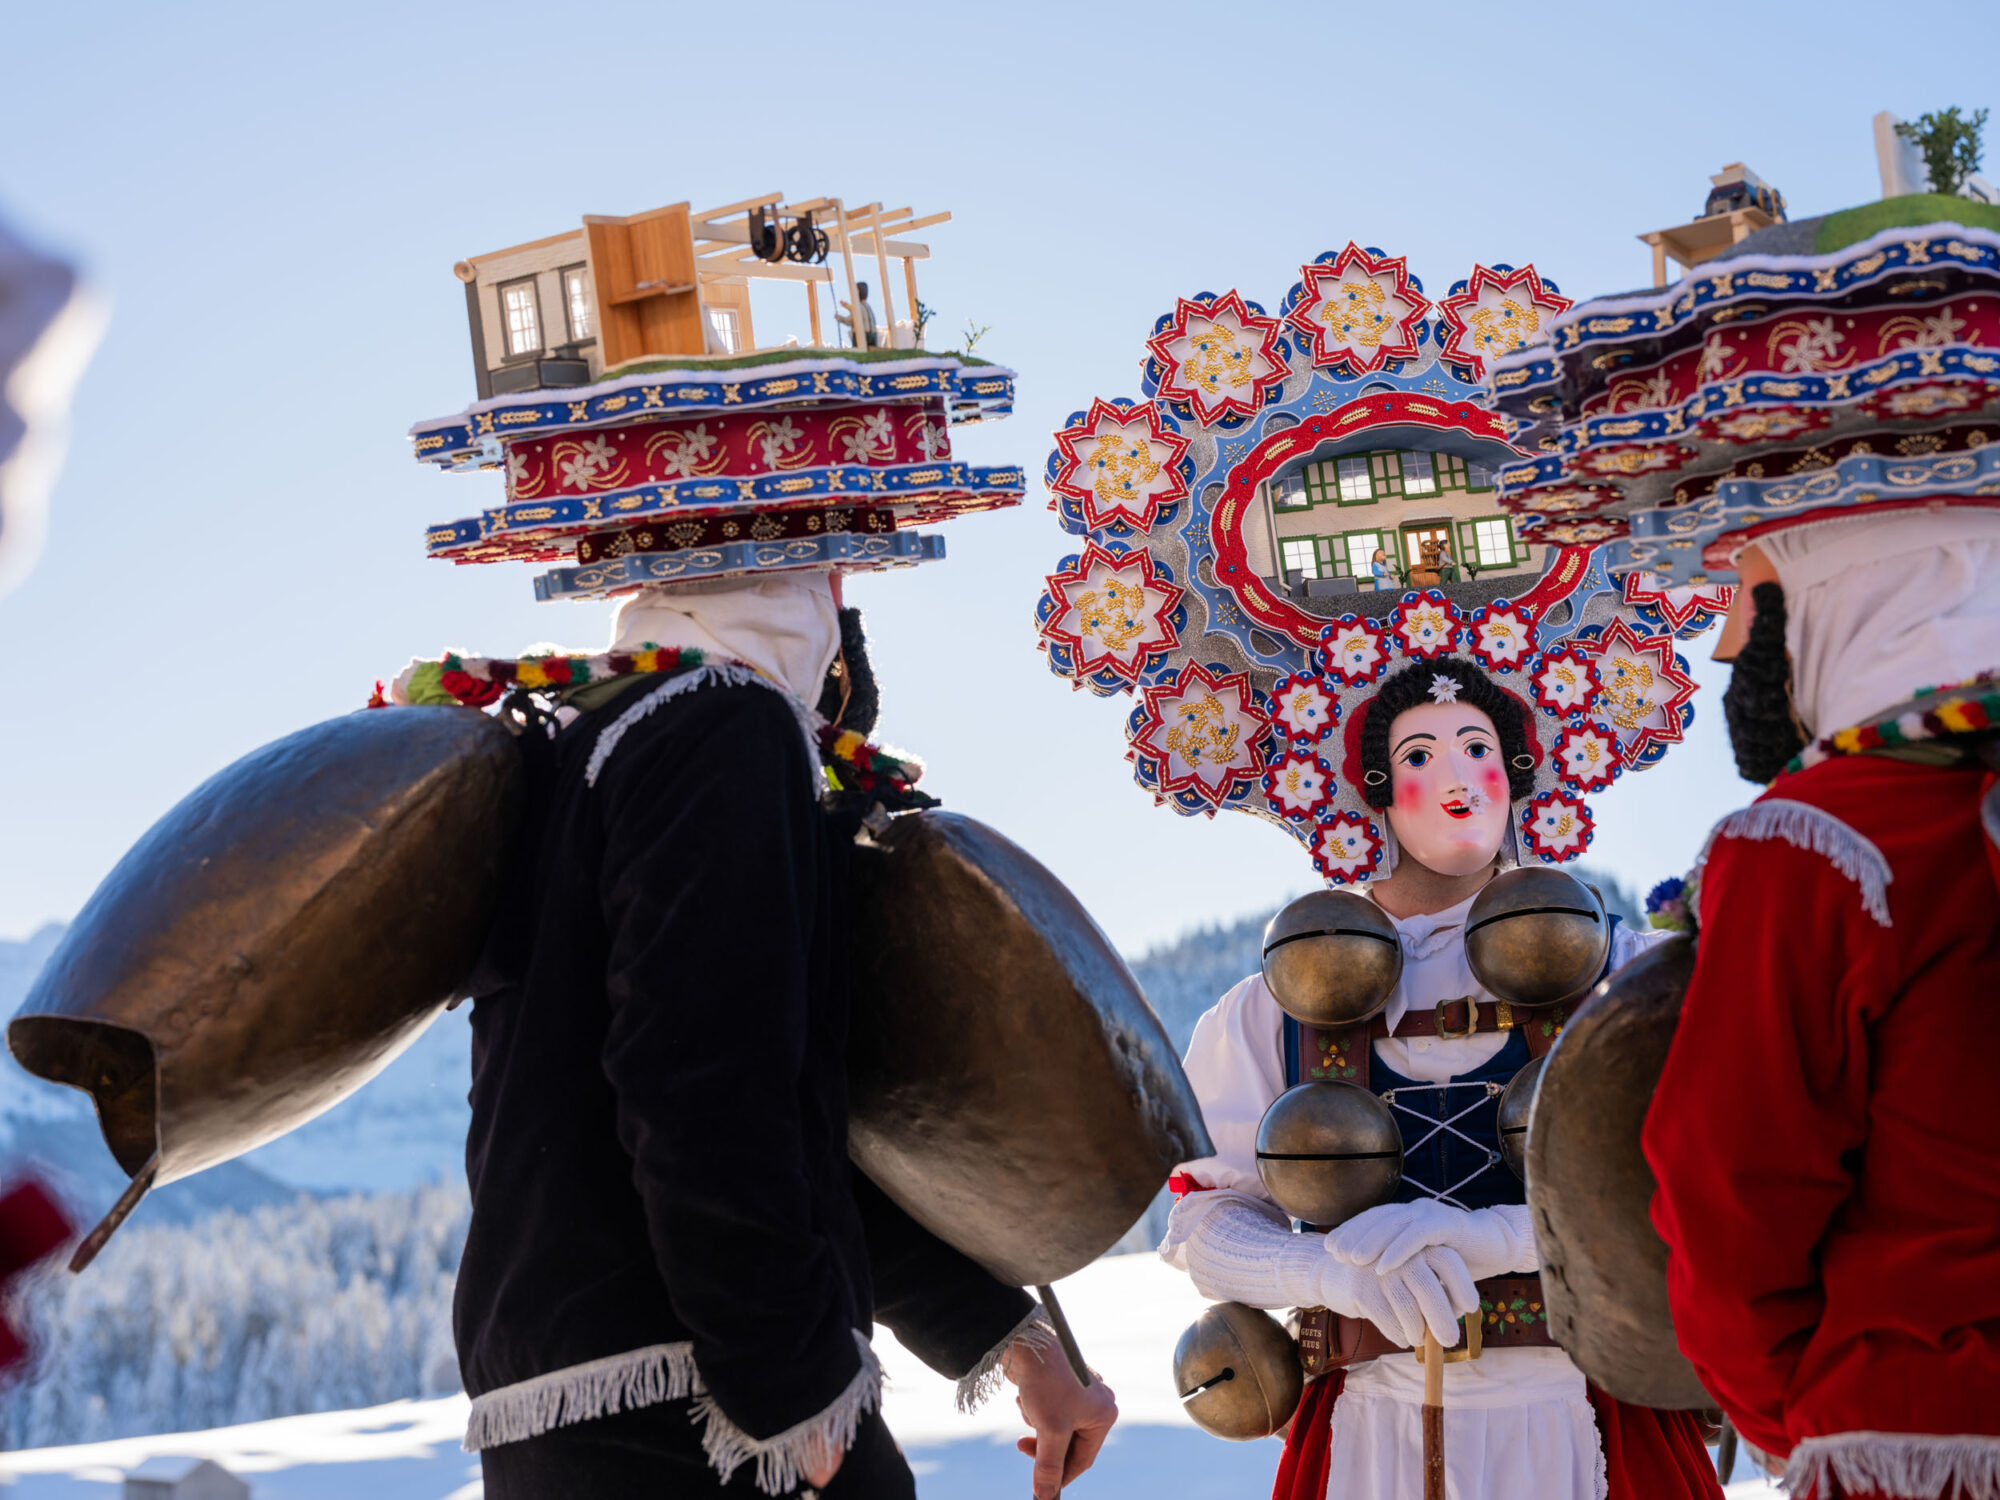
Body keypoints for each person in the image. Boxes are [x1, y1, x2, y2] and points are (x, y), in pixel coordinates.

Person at [398, 572, 1117, 1499]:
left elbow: (780, 1131)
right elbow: (704, 1100)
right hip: (699, 1414)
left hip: (578, 1407)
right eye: (832, 567)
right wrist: (797, 1398)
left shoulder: (587, 734)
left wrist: (1010, 1343)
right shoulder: (722, 727)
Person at [1163, 651, 1723, 1500]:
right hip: (1368, 1423)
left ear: (1518, 771)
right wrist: (1328, 1276)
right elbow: (1206, 1228)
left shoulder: (1624, 973)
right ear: (1377, 786)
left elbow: (1701, 1186)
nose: (1458, 776)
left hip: (1597, 1413)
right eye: (1423, 755)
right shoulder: (1273, 1009)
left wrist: (1504, 1238)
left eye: (1478, 747)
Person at [1642, 509, 2000, 1498]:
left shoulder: (1810, 843)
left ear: (1841, 596)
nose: (1722, 645)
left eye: (1751, 599)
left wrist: (1796, 1414)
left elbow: (1725, 1181)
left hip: (1917, 1431)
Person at [837, 282, 880, 349]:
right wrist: (845, 305)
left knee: (858, 348)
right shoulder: (867, 306)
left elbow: (850, 321)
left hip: (863, 335)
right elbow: (855, 310)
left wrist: (839, 318)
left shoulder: (858, 306)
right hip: (873, 334)